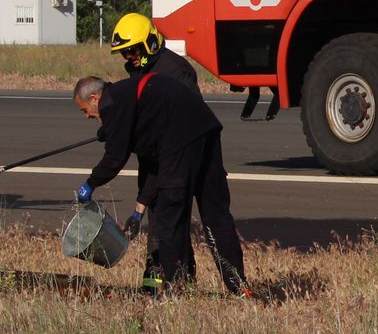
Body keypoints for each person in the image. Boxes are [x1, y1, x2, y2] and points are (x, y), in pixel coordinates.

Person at [73, 72, 248, 295]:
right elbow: (154, 165)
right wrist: (139, 211)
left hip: (180, 139)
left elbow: (115, 157)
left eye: (84, 110)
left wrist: (91, 183)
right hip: (206, 129)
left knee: (169, 217)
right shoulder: (130, 98)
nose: (86, 116)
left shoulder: (112, 103)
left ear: (94, 98)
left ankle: (174, 288)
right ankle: (239, 286)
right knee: (216, 214)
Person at [109, 12, 203, 291]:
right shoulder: (141, 69)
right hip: (153, 155)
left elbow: (189, 120)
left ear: (150, 42)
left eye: (132, 51)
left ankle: (174, 280)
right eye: (124, 53)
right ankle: (160, 281)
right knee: (158, 216)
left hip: (177, 157)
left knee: (170, 220)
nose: (129, 57)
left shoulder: (177, 71)